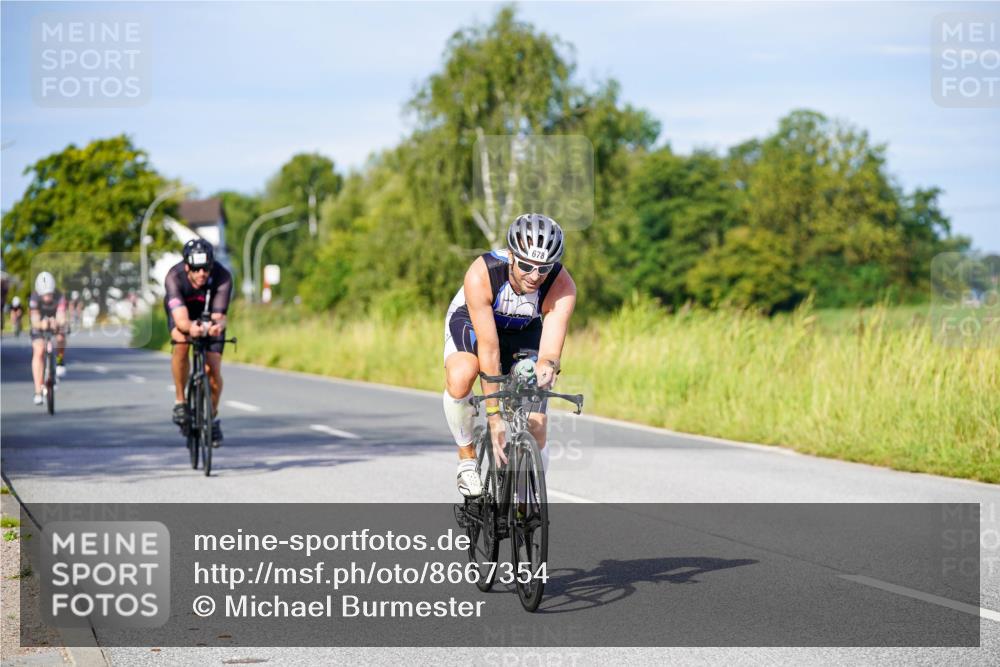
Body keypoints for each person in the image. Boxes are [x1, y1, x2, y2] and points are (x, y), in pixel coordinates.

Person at [442, 213, 577, 497]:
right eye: (527, 265)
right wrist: (493, 418)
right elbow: (489, 350)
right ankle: (466, 458)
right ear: (512, 256)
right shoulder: (483, 273)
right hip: (473, 323)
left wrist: (546, 368)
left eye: (543, 268)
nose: (534, 276)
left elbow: (550, 350)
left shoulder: (562, 285)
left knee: (537, 424)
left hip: (524, 332)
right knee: (462, 374)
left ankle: (528, 498)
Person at [164, 239, 233, 446]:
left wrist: (215, 327)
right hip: (183, 315)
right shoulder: (174, 277)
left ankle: (210, 418)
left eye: (205, 268)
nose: (201, 273)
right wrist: (191, 328)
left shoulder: (222, 276)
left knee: (212, 371)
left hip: (209, 319)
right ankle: (180, 400)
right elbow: (182, 321)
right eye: (196, 268)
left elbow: (219, 316)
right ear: (187, 267)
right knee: (181, 341)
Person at [29, 272, 68, 405]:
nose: (48, 297)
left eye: (50, 294)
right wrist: (41, 324)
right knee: (38, 351)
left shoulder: (60, 296)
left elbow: (62, 316)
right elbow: (34, 320)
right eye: (45, 294)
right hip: (39, 325)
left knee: (61, 336)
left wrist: (58, 323)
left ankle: (59, 360)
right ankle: (38, 391)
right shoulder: (34, 297)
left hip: (55, 321)